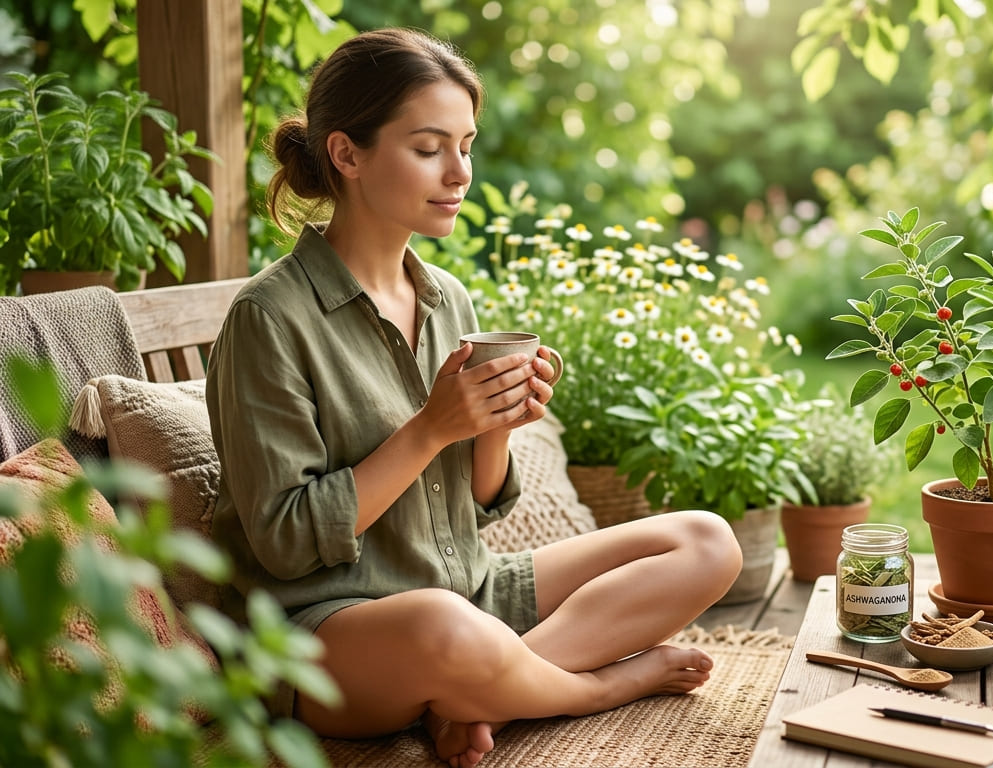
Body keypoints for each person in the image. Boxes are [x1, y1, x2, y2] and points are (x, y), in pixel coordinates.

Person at [205, 27, 743, 768]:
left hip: (466, 589)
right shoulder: (268, 318)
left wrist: (499, 425)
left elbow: (480, 503)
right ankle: (592, 688)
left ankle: (477, 695)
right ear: (347, 153)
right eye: (429, 148)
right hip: (332, 632)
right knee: (442, 627)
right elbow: (287, 540)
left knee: (707, 542)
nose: (458, 171)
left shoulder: (446, 299)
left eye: (466, 144)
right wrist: (430, 429)